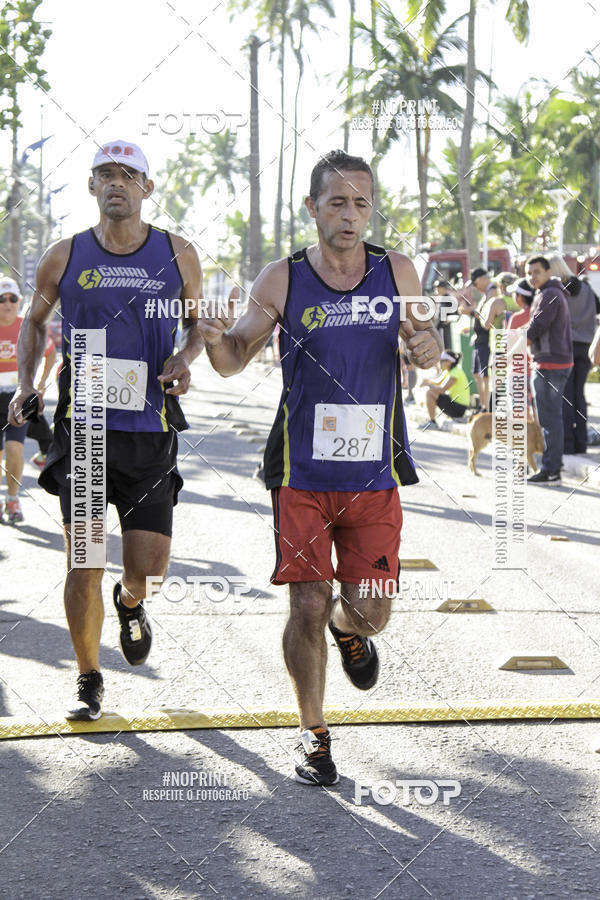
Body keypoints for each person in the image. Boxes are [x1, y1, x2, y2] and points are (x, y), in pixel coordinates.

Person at [199, 149, 441, 786]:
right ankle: (314, 735)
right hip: (300, 472)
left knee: (370, 611)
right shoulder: (282, 278)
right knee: (306, 603)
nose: (351, 215)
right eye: (337, 202)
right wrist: (213, 336)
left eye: (362, 203)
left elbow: (429, 342)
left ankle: (349, 632)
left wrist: (427, 345)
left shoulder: (397, 270)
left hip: (374, 475)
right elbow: (232, 359)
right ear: (312, 208)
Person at [9, 141, 203, 719]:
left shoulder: (177, 253)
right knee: (83, 559)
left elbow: (197, 328)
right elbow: (33, 324)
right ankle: (88, 677)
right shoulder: (65, 256)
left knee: (150, 566)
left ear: (147, 187)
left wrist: (185, 358)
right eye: (104, 175)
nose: (116, 182)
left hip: (150, 429)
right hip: (86, 429)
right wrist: (26, 382)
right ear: (92, 188)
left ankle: (131, 600)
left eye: (128, 174)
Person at [0, 275, 55, 523]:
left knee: (14, 449)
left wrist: (40, 385)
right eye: (2, 299)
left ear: (19, 300)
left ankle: (12, 500)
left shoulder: (27, 326)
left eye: (12, 298)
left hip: (16, 398)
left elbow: (51, 353)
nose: (7, 303)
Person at [525, 256, 573, 484]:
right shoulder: (548, 292)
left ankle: (551, 470)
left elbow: (539, 325)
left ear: (547, 271)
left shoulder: (551, 294)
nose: (532, 277)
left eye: (536, 272)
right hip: (550, 363)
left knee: (550, 419)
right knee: (550, 419)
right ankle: (552, 467)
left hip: (551, 365)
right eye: (529, 273)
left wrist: (516, 342)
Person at [546, 252, 599, 455]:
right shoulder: (586, 288)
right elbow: (598, 307)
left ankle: (567, 443)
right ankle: (581, 441)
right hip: (585, 345)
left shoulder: (556, 290)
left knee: (566, 395)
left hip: (564, 346)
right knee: (579, 394)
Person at [460, 268, 499, 411]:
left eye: (475, 283)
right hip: (479, 339)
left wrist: (469, 312)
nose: (475, 287)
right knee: (477, 374)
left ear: (483, 278)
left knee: (485, 376)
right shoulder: (486, 294)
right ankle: (483, 406)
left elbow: (487, 316)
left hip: (486, 339)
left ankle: (487, 408)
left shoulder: (493, 291)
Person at [419, 350, 470, 428]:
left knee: (430, 393)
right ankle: (432, 420)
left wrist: (428, 384)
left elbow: (442, 390)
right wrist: (427, 381)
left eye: (442, 361)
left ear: (449, 362)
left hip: (459, 408)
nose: (440, 363)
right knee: (431, 390)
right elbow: (437, 383)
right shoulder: (448, 371)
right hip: (454, 404)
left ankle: (432, 422)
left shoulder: (456, 372)